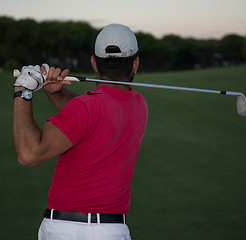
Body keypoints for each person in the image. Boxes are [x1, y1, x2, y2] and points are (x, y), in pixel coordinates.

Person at [13, 23, 148, 240]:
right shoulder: (140, 105)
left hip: (66, 231)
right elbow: (94, 111)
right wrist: (57, 93)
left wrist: (23, 91)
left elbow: (29, 154)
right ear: (135, 64)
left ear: (94, 62)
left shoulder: (86, 109)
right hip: (112, 231)